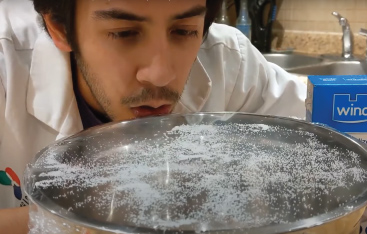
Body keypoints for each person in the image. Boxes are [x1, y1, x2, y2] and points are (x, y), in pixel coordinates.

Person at [0, 0, 306, 233]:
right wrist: (75, 221)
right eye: (124, 33)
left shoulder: (232, 63)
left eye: (184, 31)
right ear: (60, 28)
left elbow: (309, 161)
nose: (160, 75)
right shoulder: (6, 67)